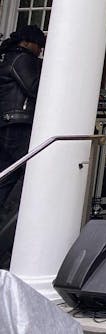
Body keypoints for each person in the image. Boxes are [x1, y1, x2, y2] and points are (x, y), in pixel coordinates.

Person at [0, 24, 46, 267]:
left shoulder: (7, 56)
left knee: (6, 179)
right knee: (29, 177)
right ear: (28, 42)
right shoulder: (22, 59)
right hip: (17, 127)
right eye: (39, 45)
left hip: (6, 125)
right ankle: (11, 234)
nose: (40, 51)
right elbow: (37, 89)